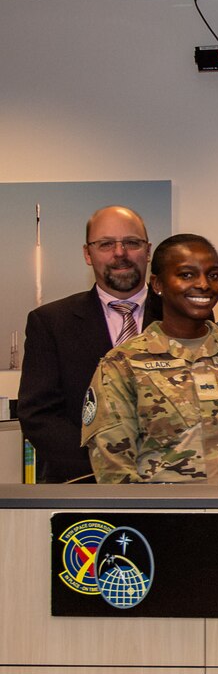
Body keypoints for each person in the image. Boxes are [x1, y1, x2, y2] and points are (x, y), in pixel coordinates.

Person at [84, 234, 218, 485]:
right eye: (187, 275)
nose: (204, 284)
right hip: (161, 521)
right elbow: (115, 471)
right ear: (158, 284)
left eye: (213, 275)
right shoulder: (122, 364)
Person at [19, 204, 160, 484]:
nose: (119, 253)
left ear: (148, 250)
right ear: (87, 253)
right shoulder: (50, 322)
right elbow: (39, 415)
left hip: (171, 487)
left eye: (131, 243)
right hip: (81, 485)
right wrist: (110, 464)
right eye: (106, 244)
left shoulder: (182, 317)